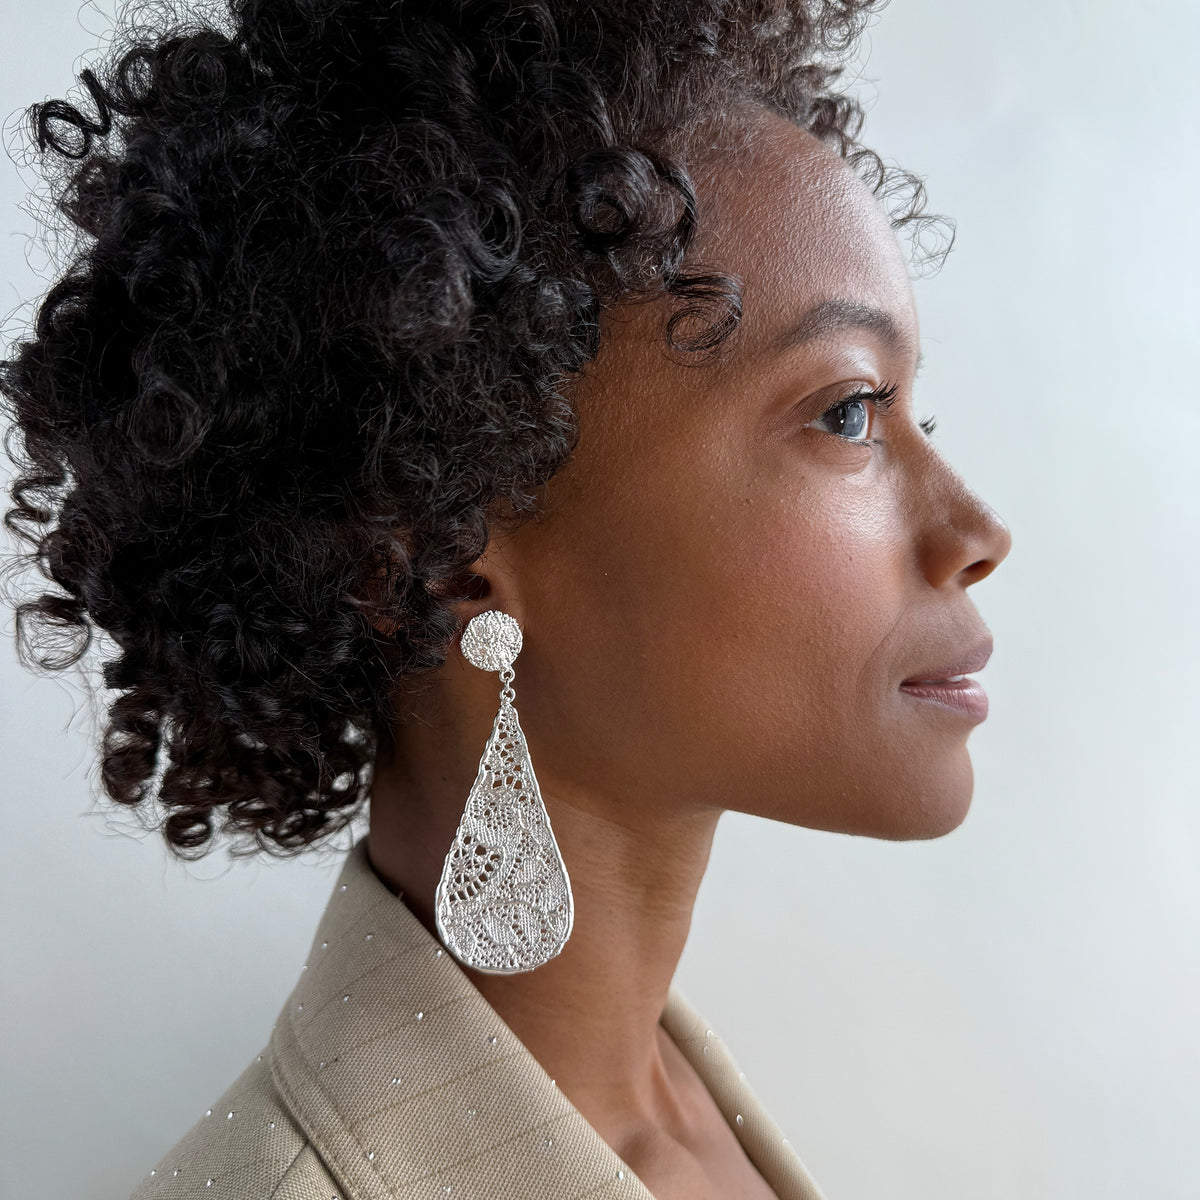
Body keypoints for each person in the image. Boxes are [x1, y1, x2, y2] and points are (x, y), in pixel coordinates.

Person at [0, 1, 1012, 1197]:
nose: (975, 534)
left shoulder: (692, 1120)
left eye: (912, 411)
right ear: (452, 548)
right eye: (847, 411)